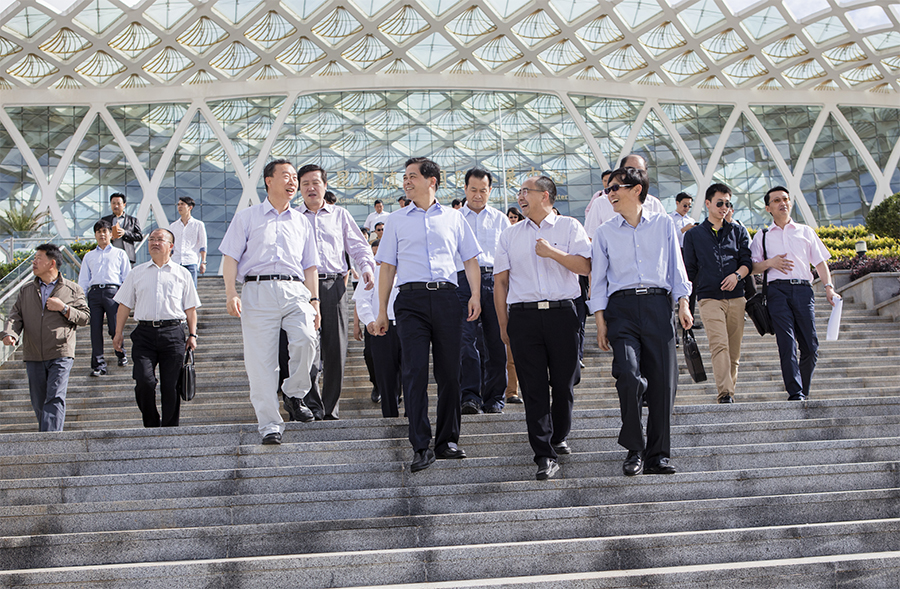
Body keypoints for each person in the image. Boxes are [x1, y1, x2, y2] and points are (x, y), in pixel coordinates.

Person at [374, 157, 482, 473]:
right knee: (414, 370)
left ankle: (447, 440)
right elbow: (387, 267)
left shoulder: (454, 217)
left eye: (412, 176)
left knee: (450, 371)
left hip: (448, 298)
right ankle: (421, 445)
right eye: (405, 177)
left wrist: (475, 294)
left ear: (431, 181)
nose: (406, 181)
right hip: (410, 301)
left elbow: (471, 259)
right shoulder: (395, 220)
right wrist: (381, 310)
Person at [589, 166, 692, 477]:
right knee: (630, 377)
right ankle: (635, 448)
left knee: (663, 385)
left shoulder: (663, 225)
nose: (610, 194)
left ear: (637, 190)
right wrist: (600, 321)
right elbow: (598, 280)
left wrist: (683, 304)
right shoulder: (605, 232)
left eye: (615, 188)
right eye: (608, 190)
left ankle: (658, 455)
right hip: (621, 310)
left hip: (658, 306)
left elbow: (677, 267)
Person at [494, 175, 591, 481]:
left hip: (563, 315)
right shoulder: (510, 235)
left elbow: (585, 267)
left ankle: (559, 434)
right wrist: (503, 324)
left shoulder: (570, 227)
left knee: (563, 383)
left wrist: (552, 253)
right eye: (520, 192)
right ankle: (544, 454)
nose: (520, 197)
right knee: (533, 389)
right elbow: (500, 281)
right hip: (524, 318)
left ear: (546, 196)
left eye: (526, 191)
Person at [219, 159, 321, 444]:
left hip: (295, 290)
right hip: (257, 291)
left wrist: (315, 302)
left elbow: (310, 266)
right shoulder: (247, 217)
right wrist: (230, 293)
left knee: (306, 340)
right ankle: (269, 425)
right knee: (261, 363)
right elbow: (231, 258)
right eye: (286, 177)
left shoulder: (302, 221)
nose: (292, 183)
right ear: (268, 180)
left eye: (294, 178)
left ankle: (294, 391)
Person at [290, 163, 375, 421]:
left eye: (315, 183)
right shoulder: (292, 217)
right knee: (306, 346)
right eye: (305, 184)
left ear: (325, 186)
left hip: (334, 285)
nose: (311, 188)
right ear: (298, 189)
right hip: (301, 290)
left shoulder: (340, 215)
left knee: (335, 349)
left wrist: (367, 268)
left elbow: (358, 247)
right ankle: (312, 405)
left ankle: (330, 409)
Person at [750, 186, 835, 401]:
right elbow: (752, 267)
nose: (783, 203)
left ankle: (803, 390)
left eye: (786, 199)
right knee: (786, 343)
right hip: (777, 291)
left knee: (810, 346)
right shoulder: (763, 235)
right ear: (768, 208)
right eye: (777, 200)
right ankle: (795, 392)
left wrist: (828, 287)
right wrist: (771, 263)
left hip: (803, 290)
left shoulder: (805, 231)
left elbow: (820, 263)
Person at [112, 229, 199, 428]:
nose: (154, 243)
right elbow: (124, 305)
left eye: (160, 239)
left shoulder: (182, 273)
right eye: (151, 239)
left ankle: (169, 428)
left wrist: (192, 334)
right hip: (144, 335)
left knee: (171, 386)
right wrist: (118, 333)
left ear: (171, 246)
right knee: (144, 381)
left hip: (173, 333)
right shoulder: (137, 273)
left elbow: (190, 308)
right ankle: (151, 424)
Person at [2, 244, 89, 432]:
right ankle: (47, 437)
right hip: (33, 353)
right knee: (39, 401)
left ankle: (51, 440)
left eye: (38, 258)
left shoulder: (72, 289)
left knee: (55, 397)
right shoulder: (26, 290)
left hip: (61, 352)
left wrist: (64, 308)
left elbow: (85, 317)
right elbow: (15, 315)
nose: (34, 261)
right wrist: (10, 333)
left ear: (52, 263)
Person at [682, 184, 752, 404]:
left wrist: (737, 276)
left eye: (728, 203)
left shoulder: (738, 231)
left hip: (737, 297)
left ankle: (729, 389)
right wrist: (686, 306)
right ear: (708, 204)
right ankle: (725, 393)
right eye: (719, 203)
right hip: (709, 297)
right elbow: (689, 272)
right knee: (719, 344)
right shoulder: (693, 235)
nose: (724, 207)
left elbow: (746, 262)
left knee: (734, 351)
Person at [457, 168, 510, 415]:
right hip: (463, 282)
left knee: (496, 340)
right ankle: (469, 395)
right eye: (473, 190)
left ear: (490, 191)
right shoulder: (454, 218)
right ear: (465, 189)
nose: (478, 195)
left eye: (483, 190)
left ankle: (495, 397)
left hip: (494, 281)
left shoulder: (500, 219)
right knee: (465, 340)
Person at [354, 238, 403, 417]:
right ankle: (390, 416)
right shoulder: (374, 271)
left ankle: (412, 417)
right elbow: (362, 300)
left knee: (412, 375)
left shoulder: (409, 271)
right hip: (381, 329)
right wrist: (369, 321)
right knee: (385, 376)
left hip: (409, 328)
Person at [78, 219, 131, 376]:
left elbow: (126, 277)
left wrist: (125, 297)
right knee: (95, 330)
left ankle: (121, 353)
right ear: (95, 235)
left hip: (113, 292)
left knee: (115, 327)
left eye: (105, 231)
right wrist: (81, 298)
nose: (102, 234)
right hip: (94, 294)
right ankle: (98, 365)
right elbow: (84, 279)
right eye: (99, 232)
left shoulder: (120, 253)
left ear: (110, 234)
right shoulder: (89, 256)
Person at [583, 154, 666, 237]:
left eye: (640, 171)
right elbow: (590, 237)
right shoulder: (601, 203)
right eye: (630, 170)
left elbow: (664, 236)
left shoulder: (654, 204)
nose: (635, 175)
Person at [169, 196, 208, 287]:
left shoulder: (198, 224)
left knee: (191, 289)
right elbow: (171, 246)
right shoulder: (173, 226)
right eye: (178, 204)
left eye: (182, 204)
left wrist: (203, 262)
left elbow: (203, 244)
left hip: (191, 261)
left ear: (190, 207)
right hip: (176, 261)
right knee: (175, 288)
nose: (179, 207)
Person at [101, 192, 143, 265]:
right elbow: (100, 234)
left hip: (127, 256)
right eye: (113, 203)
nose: (116, 206)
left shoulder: (132, 220)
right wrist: (109, 237)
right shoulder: (105, 220)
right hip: (109, 256)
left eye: (118, 203)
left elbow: (139, 236)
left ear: (124, 204)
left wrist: (125, 233)